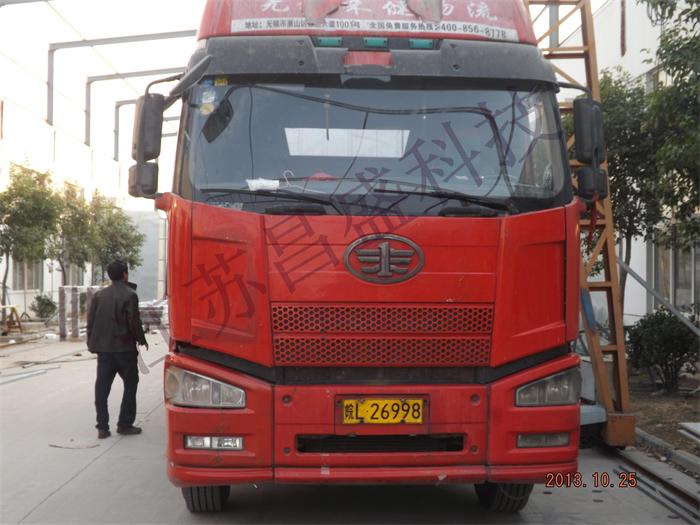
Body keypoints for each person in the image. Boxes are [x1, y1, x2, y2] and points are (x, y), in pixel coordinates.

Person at [87, 260, 149, 439]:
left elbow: (91, 321)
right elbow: (133, 322)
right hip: (125, 350)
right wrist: (141, 339)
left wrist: (91, 343)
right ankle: (124, 424)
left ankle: (102, 427)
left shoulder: (99, 295)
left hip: (104, 350)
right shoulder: (130, 295)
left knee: (102, 387)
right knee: (130, 384)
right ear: (125, 274)